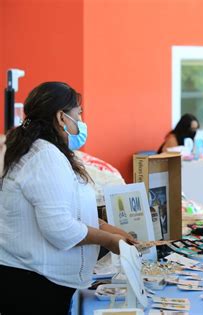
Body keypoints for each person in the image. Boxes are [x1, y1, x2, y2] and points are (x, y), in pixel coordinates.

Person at [0, 82, 136, 314]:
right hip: (34, 286)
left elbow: (68, 209)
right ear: (61, 117)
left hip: (38, 281)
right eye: (78, 113)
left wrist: (109, 228)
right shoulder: (45, 156)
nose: (81, 121)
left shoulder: (46, 152)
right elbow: (59, 228)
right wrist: (108, 240)